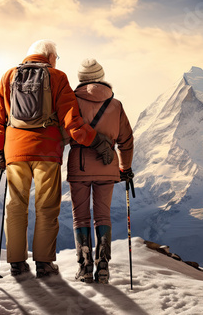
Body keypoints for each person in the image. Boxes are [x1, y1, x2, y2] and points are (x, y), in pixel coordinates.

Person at [0, 40, 114, 278]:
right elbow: (72, 121)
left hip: (15, 151)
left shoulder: (8, 76)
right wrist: (98, 141)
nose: (56, 61)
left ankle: (17, 263)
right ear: (49, 57)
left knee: (15, 206)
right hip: (47, 153)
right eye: (56, 57)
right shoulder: (57, 77)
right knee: (46, 207)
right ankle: (44, 264)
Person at [67, 58, 134, 284]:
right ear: (101, 76)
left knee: (81, 216)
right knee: (103, 215)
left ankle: (84, 266)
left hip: (79, 165)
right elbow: (127, 140)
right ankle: (103, 266)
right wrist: (126, 166)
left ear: (80, 78)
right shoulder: (116, 105)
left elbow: (64, 133)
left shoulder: (71, 102)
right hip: (107, 167)